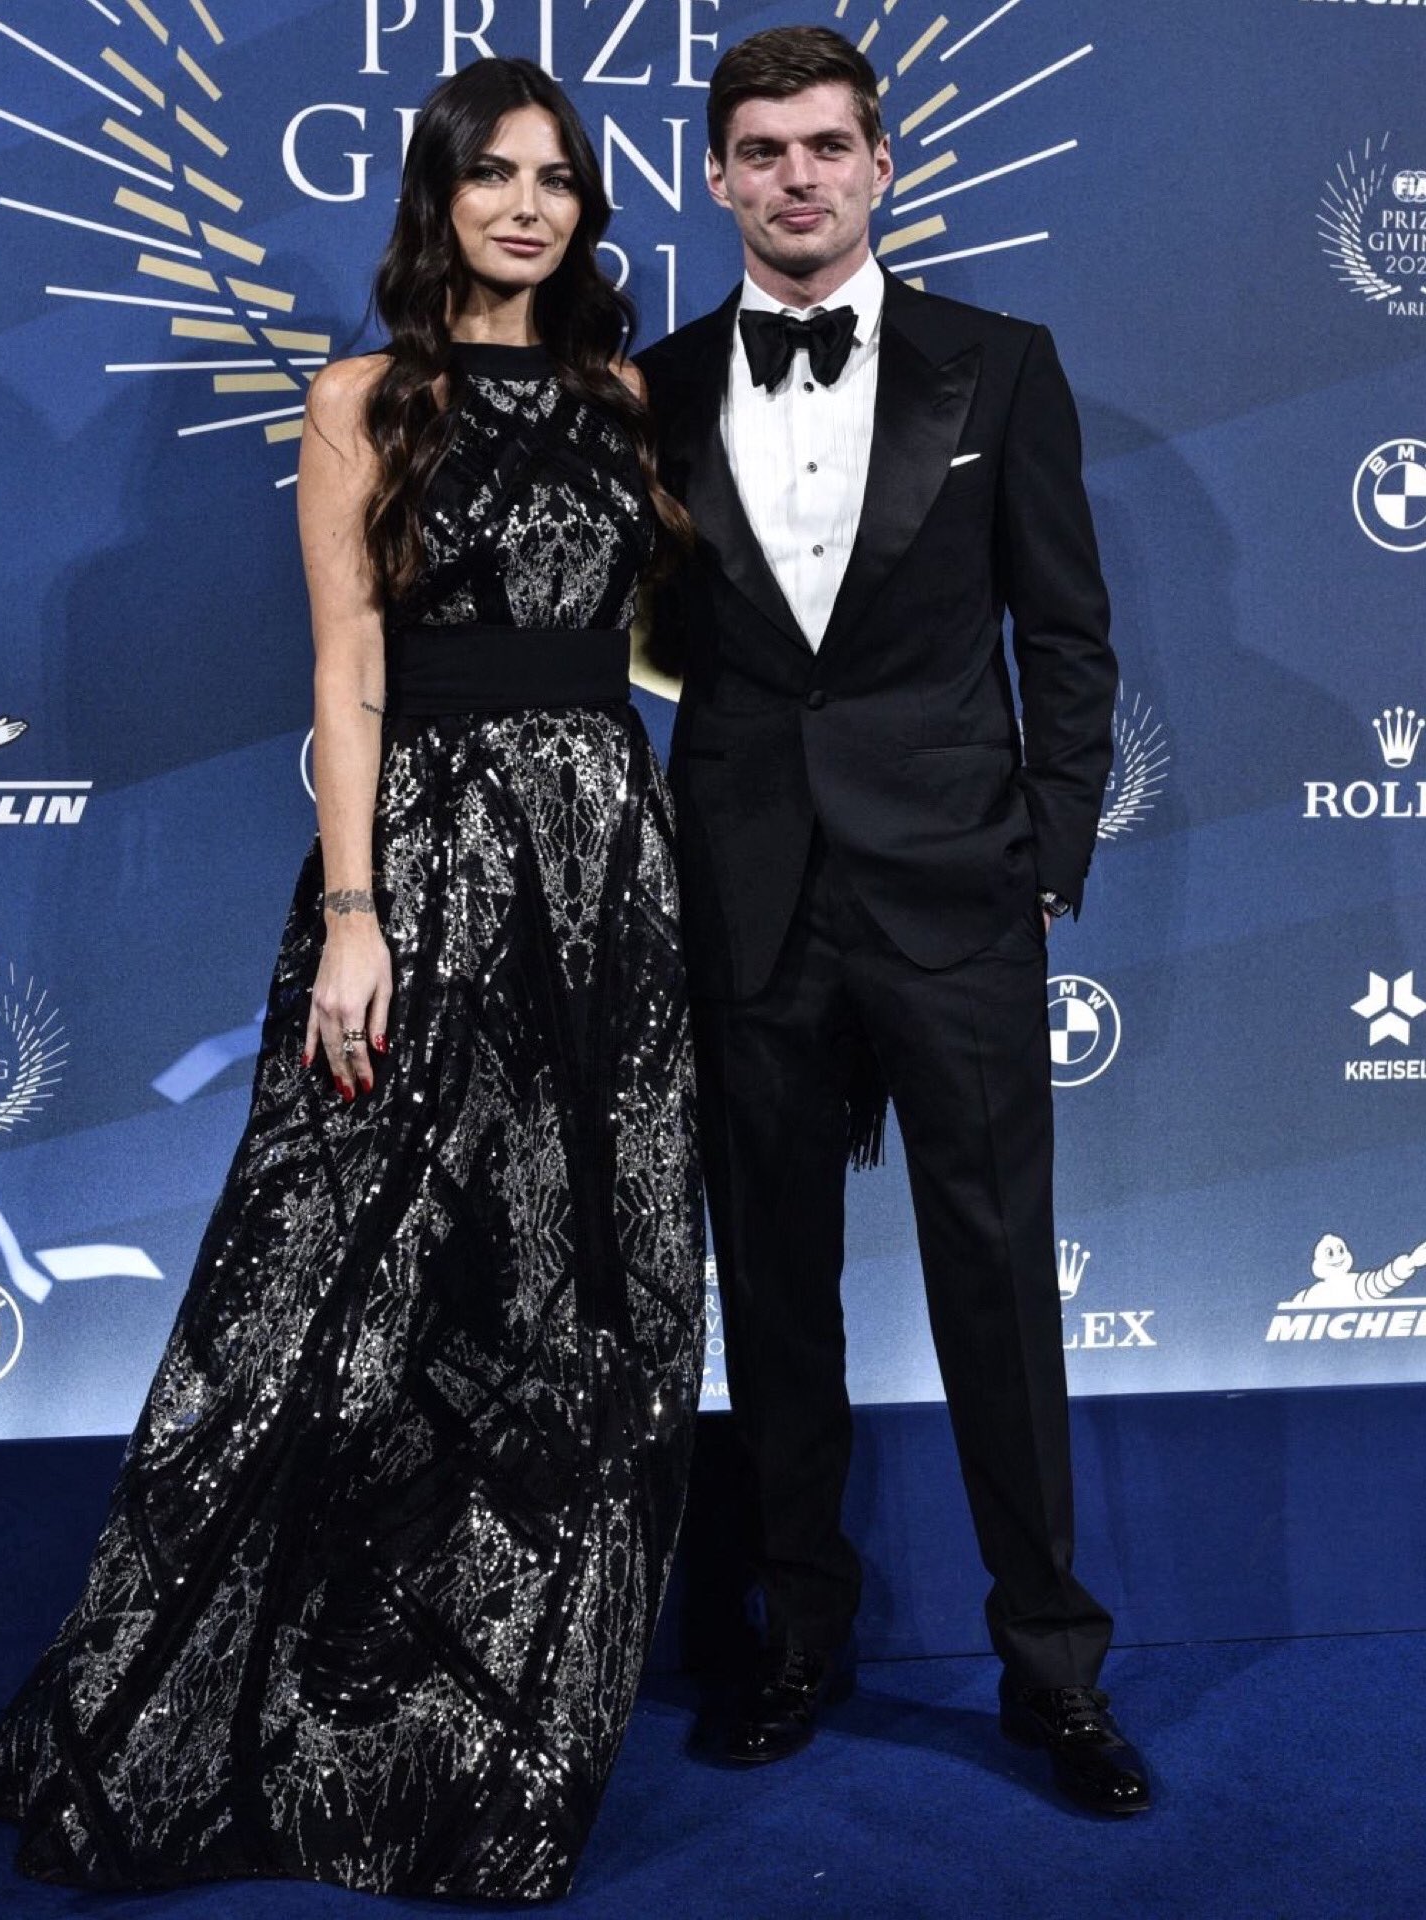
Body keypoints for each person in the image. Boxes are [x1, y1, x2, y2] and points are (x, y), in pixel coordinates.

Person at [0, 57, 705, 1902]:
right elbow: (345, 675)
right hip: (429, 869)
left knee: (579, 1305)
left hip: (609, 871)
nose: (529, 207)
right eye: (493, 177)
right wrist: (356, 912)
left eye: (558, 180)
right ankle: (194, 1734)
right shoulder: (362, 399)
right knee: (317, 1305)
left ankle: (498, 1755)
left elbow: (659, 656)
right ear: (436, 199)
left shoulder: (624, 396)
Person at [637, 25, 1149, 1814]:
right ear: (715, 177)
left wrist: (1044, 854)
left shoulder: (998, 367)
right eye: (760, 149)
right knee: (772, 1293)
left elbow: (1068, 634)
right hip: (748, 892)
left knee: (999, 1288)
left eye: (826, 146)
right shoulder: (656, 383)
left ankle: (1054, 1671)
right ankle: (797, 1640)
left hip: (954, 897)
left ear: (882, 165)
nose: (796, 176)